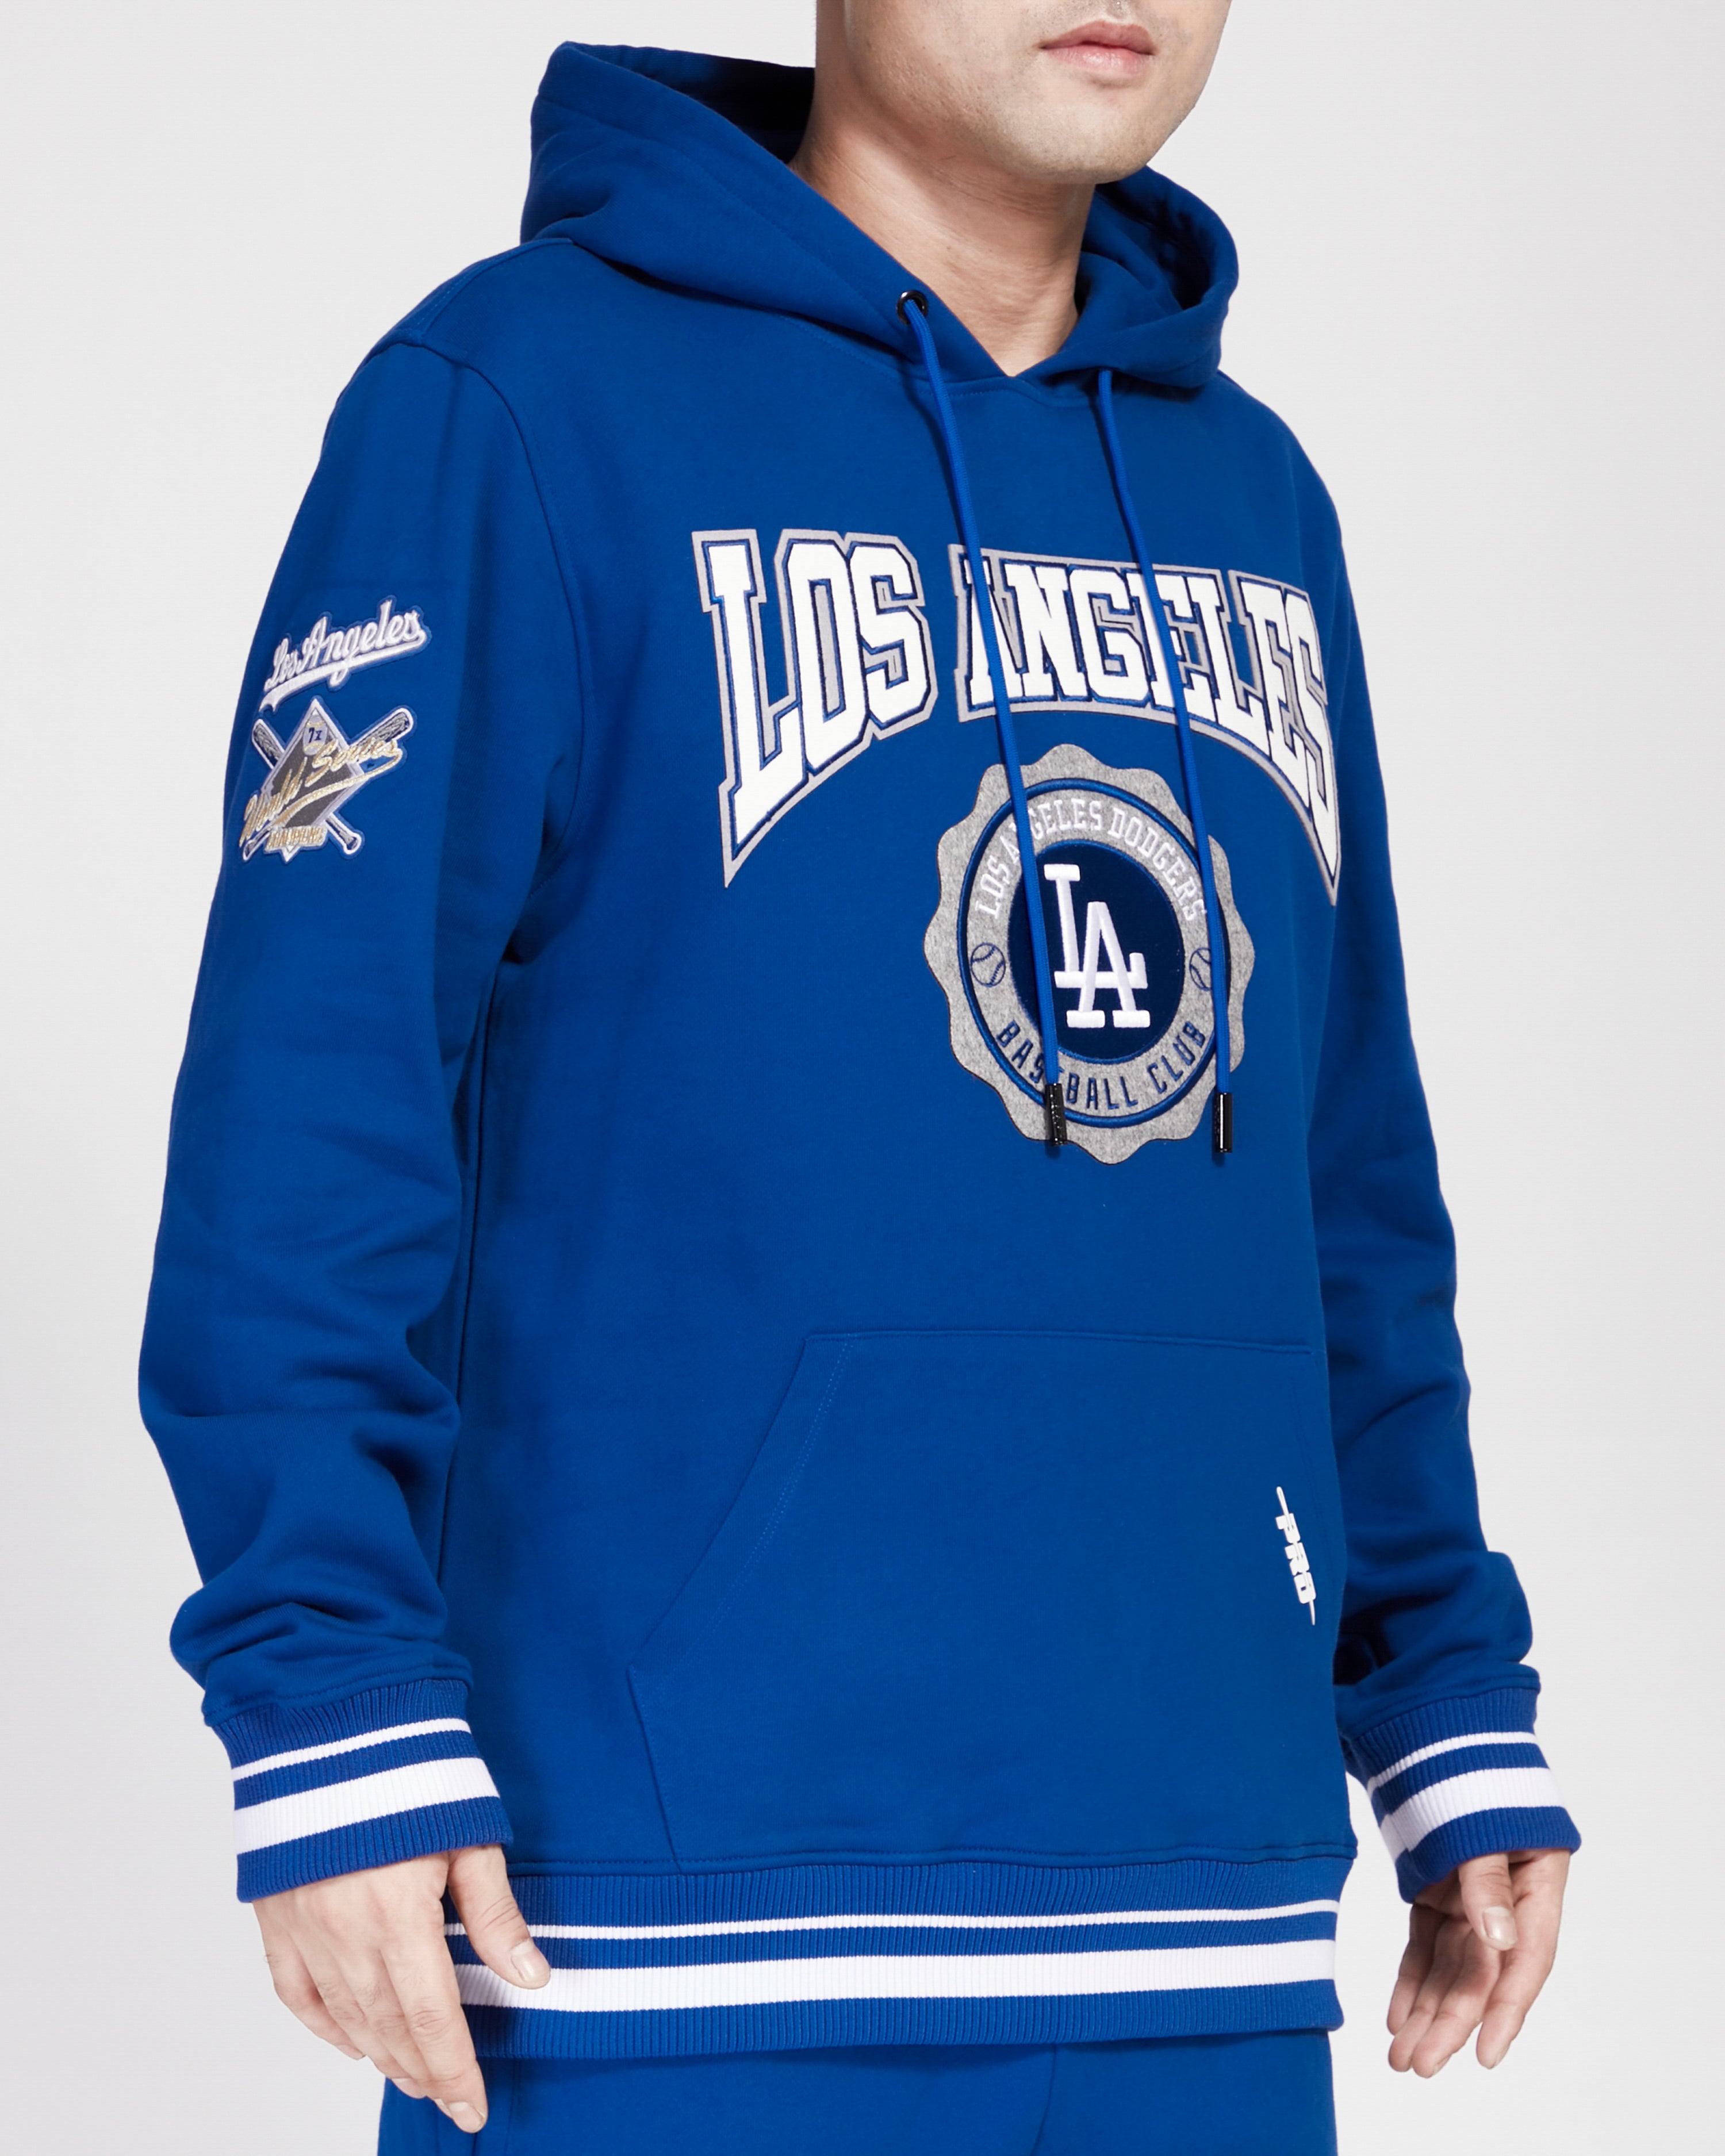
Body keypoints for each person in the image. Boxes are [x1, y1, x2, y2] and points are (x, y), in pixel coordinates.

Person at [140, 6, 1580, 2151]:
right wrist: (326, 1703)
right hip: (650, 1943)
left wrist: (1443, 1683)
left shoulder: (1252, 492)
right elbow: (310, 1107)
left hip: (1198, 1927)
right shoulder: (514, 403)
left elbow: (1344, 1161)